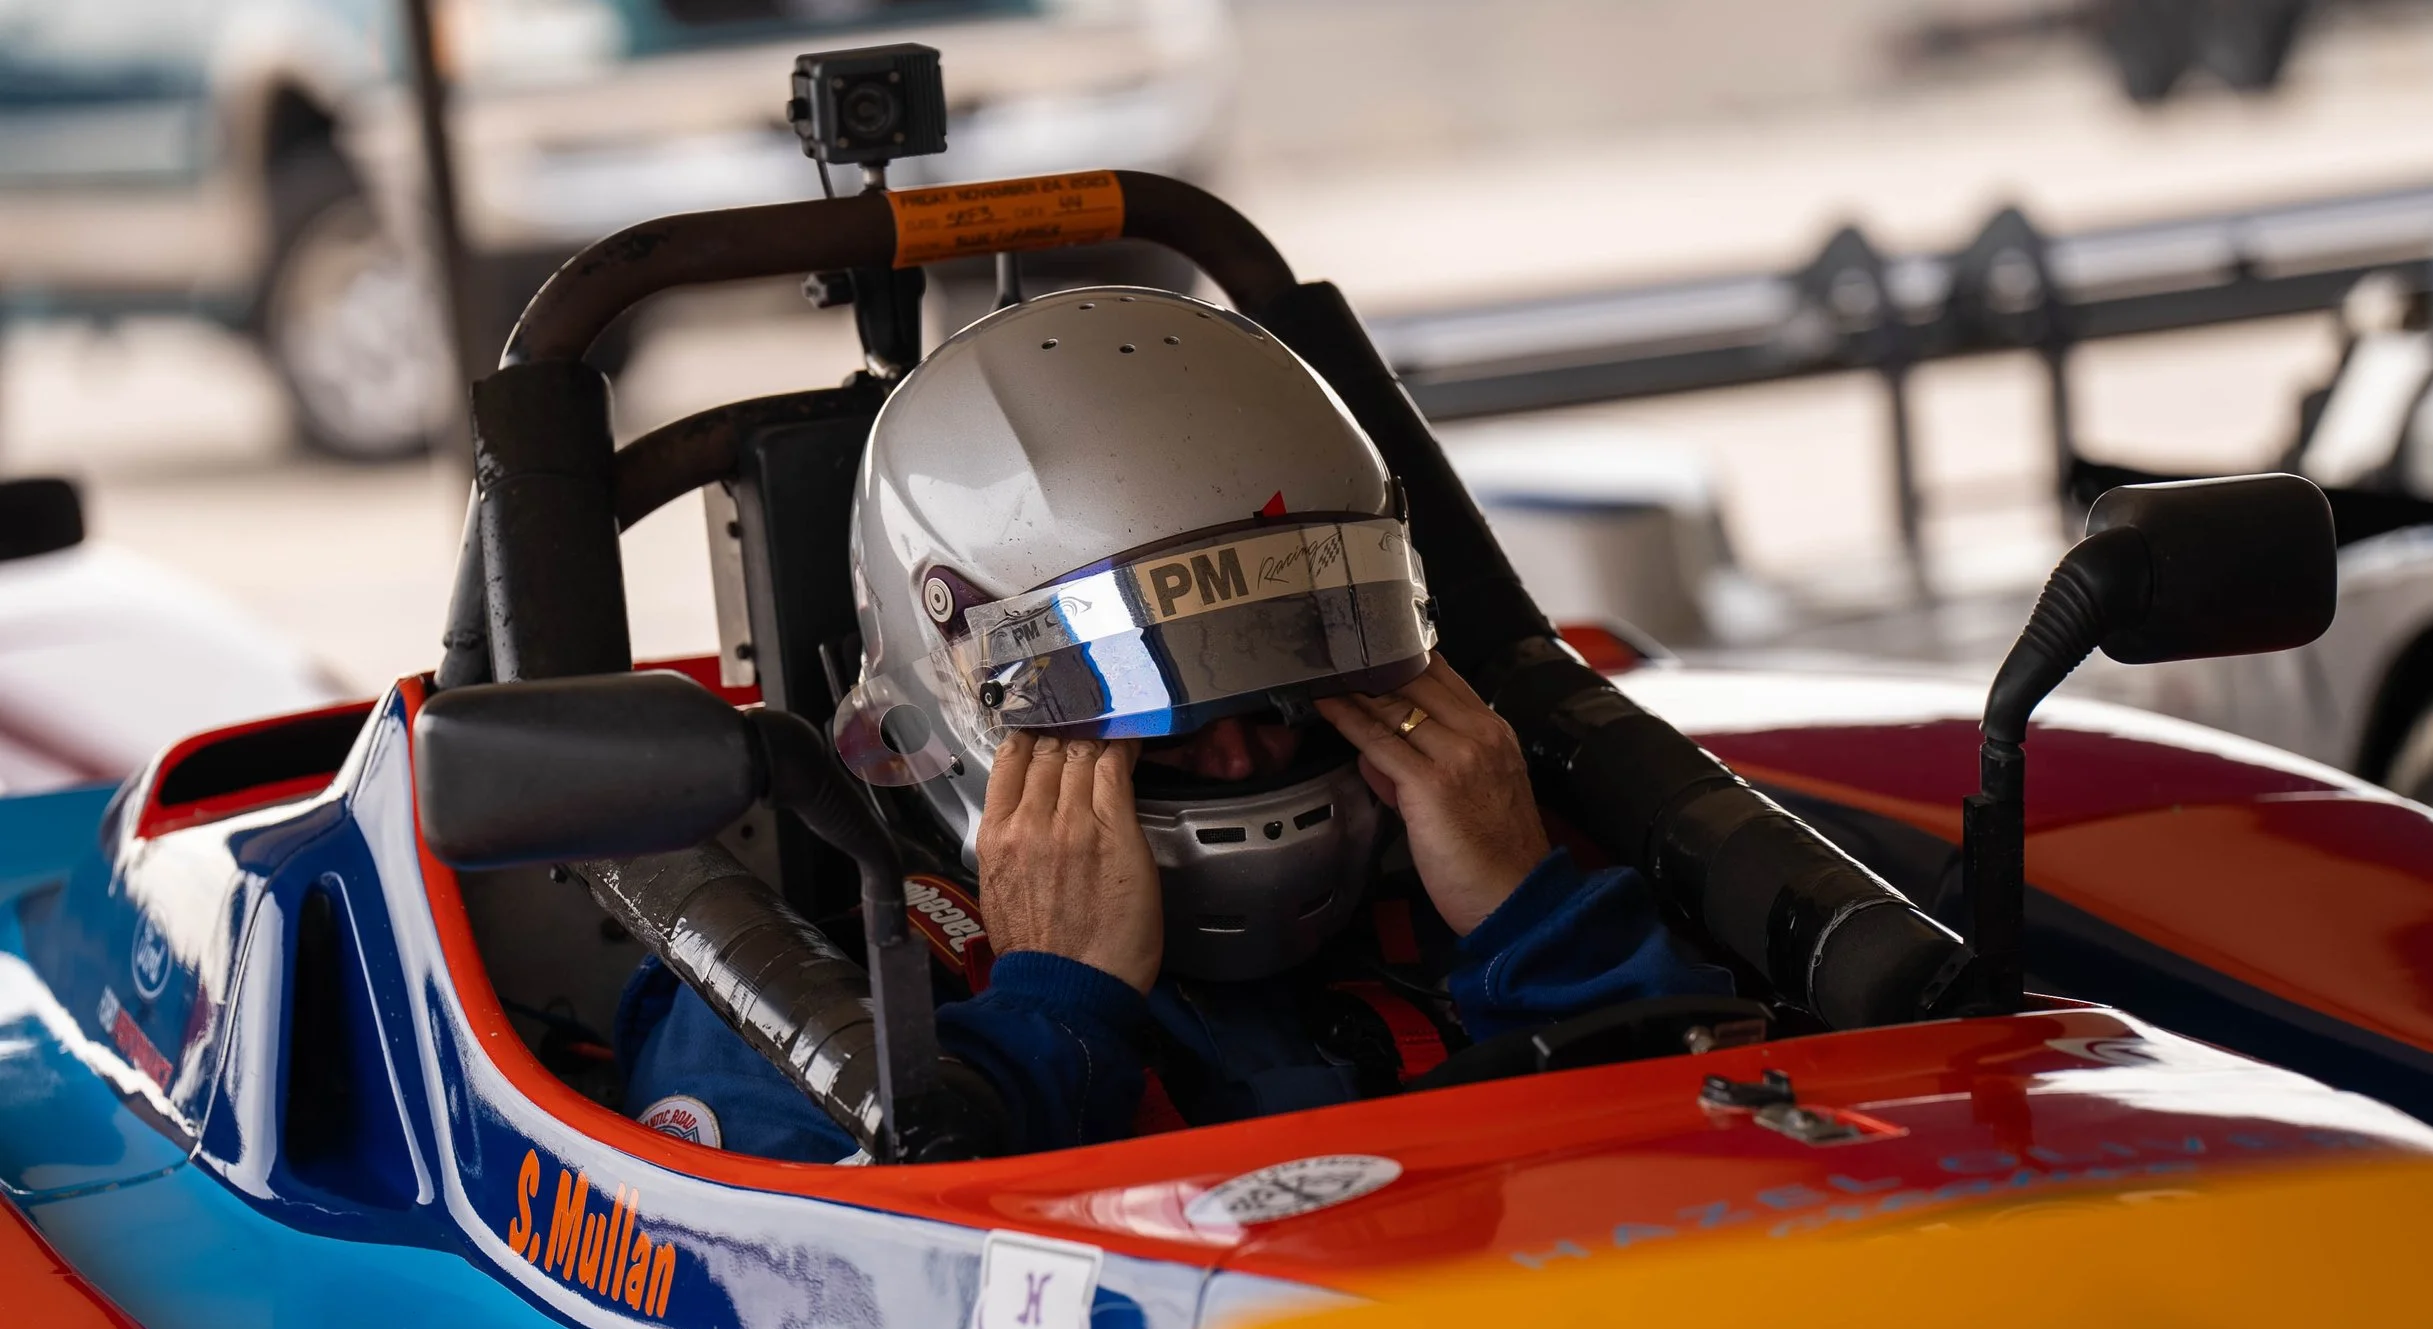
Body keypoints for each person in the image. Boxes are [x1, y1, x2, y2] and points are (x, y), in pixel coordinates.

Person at [613, 286, 1731, 1160]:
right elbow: (838, 1316)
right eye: (1154, 714)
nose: (1241, 755)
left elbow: (1724, 1185)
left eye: (1291, 683)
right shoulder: (784, 1007)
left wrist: (1531, 922)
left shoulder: (1487, 863)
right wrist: (1052, 1006)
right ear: (944, 702)